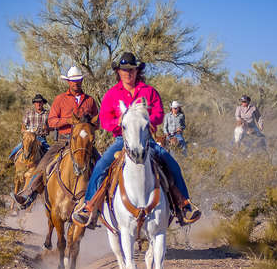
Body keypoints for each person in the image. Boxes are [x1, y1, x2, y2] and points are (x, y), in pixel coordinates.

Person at [72, 52, 201, 228]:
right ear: (118, 71)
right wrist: (117, 123)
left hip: (146, 140)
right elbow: (104, 119)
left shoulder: (149, 91)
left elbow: (159, 113)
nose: (128, 73)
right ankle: (88, 207)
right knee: (101, 166)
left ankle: (184, 205)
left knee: (170, 163)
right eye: (124, 70)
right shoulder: (112, 94)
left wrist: (147, 120)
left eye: (131, 70)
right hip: (121, 140)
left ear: (137, 71)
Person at [11, 66, 99, 209]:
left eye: (78, 80)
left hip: (83, 142)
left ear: (82, 80)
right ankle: (28, 195)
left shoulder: (90, 101)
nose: (75, 83)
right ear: (68, 82)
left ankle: (102, 201)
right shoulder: (60, 99)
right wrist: (67, 121)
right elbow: (51, 121)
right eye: (72, 81)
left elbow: (97, 123)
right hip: (64, 140)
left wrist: (88, 126)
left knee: (101, 165)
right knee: (43, 165)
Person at [8, 94, 50, 160]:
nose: (38, 104)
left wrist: (47, 128)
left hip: (41, 138)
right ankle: (9, 160)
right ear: (34, 104)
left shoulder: (47, 114)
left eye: (40, 102)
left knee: (49, 150)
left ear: (43, 103)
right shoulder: (29, 113)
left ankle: (52, 167)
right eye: (36, 102)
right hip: (29, 137)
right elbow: (23, 127)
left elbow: (52, 128)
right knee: (18, 147)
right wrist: (25, 131)